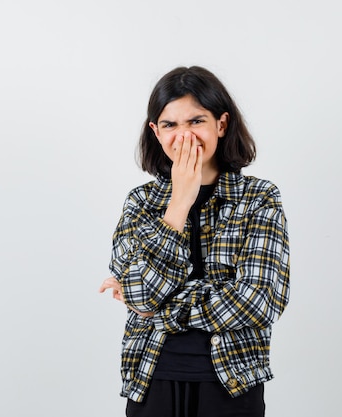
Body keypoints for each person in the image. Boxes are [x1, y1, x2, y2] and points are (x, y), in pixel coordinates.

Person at [99, 66, 290, 417]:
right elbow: (141, 294)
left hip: (232, 383)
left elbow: (260, 301)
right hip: (151, 380)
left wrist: (160, 310)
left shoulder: (260, 198)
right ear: (156, 132)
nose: (183, 136)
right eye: (170, 125)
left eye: (196, 121)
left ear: (221, 124)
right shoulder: (140, 202)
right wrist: (178, 204)